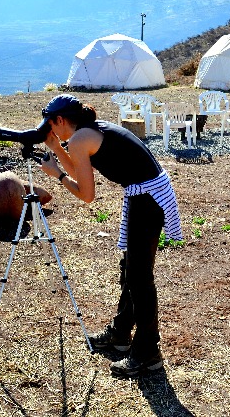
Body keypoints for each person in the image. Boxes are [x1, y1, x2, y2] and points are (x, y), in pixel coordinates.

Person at [37, 94, 182, 378]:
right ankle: (120, 334)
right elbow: (81, 169)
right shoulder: (89, 131)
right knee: (131, 270)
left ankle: (148, 352)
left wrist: (55, 175)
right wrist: (57, 149)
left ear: (60, 120)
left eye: (51, 125)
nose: (50, 130)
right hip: (148, 194)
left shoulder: (80, 139)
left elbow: (86, 194)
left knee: (139, 278)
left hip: (148, 199)